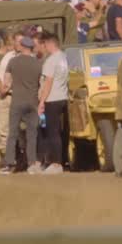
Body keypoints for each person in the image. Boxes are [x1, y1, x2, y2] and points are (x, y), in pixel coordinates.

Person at [0, 36, 41, 175]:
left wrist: (3, 92)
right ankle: (32, 163)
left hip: (17, 101)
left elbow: (6, 83)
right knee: (32, 134)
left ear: (22, 46)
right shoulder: (38, 63)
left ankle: (10, 164)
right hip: (32, 102)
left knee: (13, 133)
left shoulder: (13, 61)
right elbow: (41, 83)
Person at [38, 32, 70, 174]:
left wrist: (42, 101)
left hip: (52, 99)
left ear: (50, 44)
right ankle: (60, 160)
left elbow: (48, 82)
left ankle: (56, 164)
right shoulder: (63, 57)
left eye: (45, 44)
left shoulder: (51, 60)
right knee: (60, 131)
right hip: (63, 97)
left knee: (52, 132)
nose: (44, 47)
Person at [0, 31, 21, 165]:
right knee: (2, 130)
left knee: (22, 129)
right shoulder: (8, 56)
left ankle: (21, 157)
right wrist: (1, 89)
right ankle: (7, 158)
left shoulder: (30, 57)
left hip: (21, 97)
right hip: (6, 97)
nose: (17, 44)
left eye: (21, 41)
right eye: (16, 41)